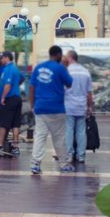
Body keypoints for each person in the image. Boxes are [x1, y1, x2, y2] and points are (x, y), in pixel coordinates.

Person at [29, 45, 73, 174]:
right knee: (59, 137)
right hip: (56, 108)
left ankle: (35, 164)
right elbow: (69, 83)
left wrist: (32, 105)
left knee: (40, 136)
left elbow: (32, 88)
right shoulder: (60, 68)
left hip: (40, 107)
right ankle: (63, 164)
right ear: (58, 55)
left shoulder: (38, 68)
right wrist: (65, 68)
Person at [64, 50, 94, 164]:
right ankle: (81, 156)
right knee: (81, 131)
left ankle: (69, 155)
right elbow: (89, 92)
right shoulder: (86, 72)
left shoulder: (67, 71)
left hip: (68, 106)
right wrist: (89, 107)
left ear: (70, 58)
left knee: (69, 131)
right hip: (81, 106)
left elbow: (62, 90)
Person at [0, 51, 23, 155]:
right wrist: (16, 85)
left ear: (6, 58)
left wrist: (3, 97)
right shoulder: (15, 68)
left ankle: (0, 146)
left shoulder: (8, 69)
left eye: (2, 58)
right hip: (17, 97)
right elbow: (22, 78)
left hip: (9, 98)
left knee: (3, 124)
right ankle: (15, 147)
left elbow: (8, 85)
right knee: (15, 124)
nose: (0, 60)